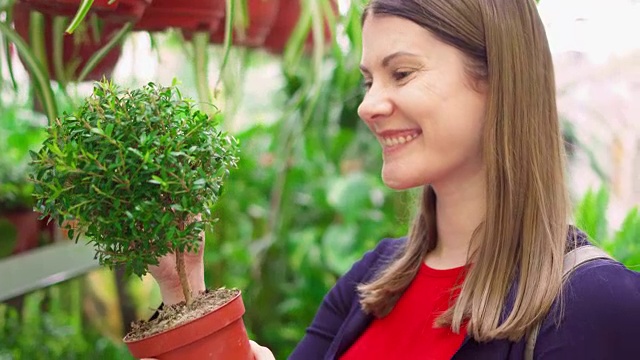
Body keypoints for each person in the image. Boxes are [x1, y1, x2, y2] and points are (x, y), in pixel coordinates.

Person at [147, 0, 640, 359]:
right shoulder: (372, 279)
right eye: (368, 80)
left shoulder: (595, 304)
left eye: (401, 74)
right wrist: (185, 292)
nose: (367, 105)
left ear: (499, 80)